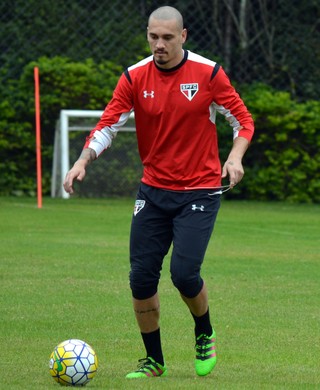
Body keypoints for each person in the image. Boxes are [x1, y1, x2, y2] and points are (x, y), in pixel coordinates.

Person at [63, 6, 254, 379]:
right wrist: (83, 160)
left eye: (168, 37)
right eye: (153, 36)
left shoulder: (208, 72)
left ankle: (204, 331)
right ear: (147, 34)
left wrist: (234, 157)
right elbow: (108, 124)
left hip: (199, 189)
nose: (159, 44)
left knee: (184, 274)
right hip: (153, 191)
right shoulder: (134, 76)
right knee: (141, 278)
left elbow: (242, 120)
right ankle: (154, 360)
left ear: (183, 36)